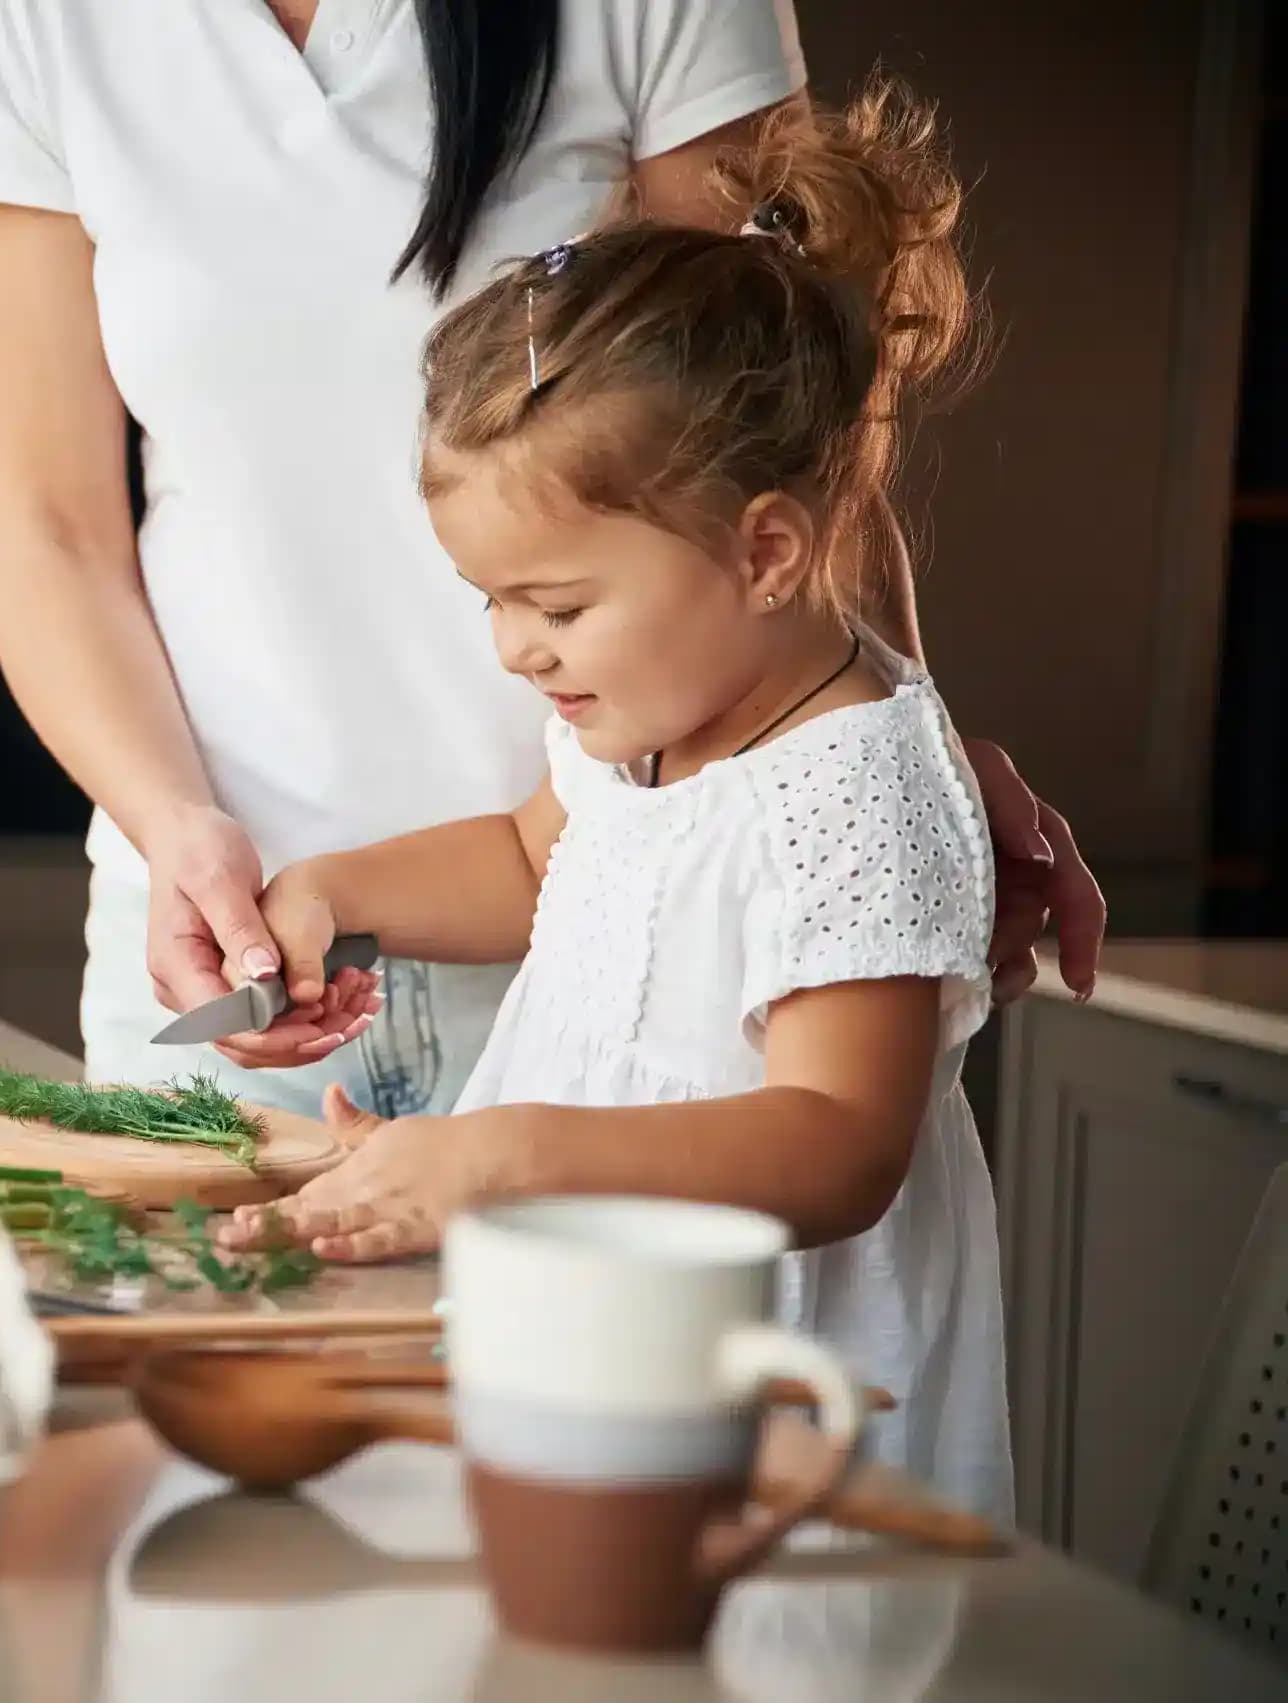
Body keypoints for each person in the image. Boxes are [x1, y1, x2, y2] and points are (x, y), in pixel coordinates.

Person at [0, 0, 1103, 1119]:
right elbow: (51, 526)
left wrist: (889, 746)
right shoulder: (33, 19)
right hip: (240, 943)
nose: (508, 640)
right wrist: (174, 824)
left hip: (632, 920)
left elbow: (781, 424)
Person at [211, 79, 1009, 1518]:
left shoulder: (852, 785)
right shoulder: (639, 725)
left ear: (766, 552)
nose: (517, 647)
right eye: (494, 601)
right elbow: (537, 859)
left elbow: (838, 1142)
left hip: (774, 1400)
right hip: (601, 1355)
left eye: (559, 602)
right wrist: (342, 895)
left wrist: (503, 1151)